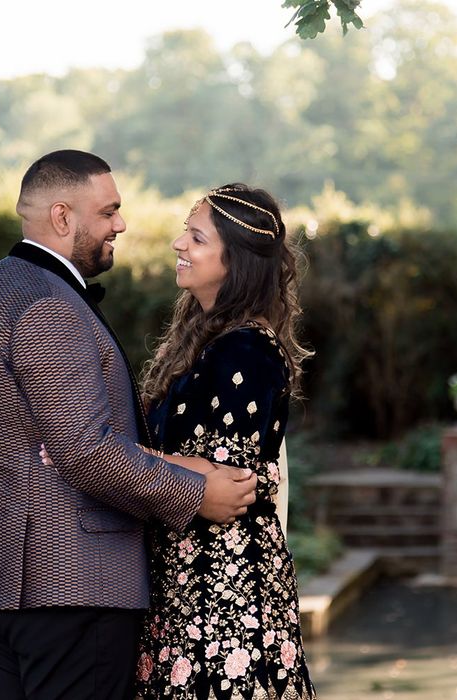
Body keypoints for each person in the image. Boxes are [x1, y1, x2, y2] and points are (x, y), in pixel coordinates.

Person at [0, 150, 260, 700]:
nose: (121, 224)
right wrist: (197, 492)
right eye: (109, 211)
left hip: (0, 582)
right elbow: (85, 451)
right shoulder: (50, 307)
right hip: (71, 583)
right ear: (63, 218)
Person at [134, 184, 316, 699]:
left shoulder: (247, 350)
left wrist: (118, 458)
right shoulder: (206, 337)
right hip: (187, 583)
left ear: (233, 260)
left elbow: (227, 483)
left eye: (196, 237)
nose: (178, 245)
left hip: (225, 595)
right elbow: (189, 469)